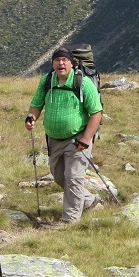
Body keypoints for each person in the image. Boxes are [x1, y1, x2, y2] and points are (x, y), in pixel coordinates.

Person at [25, 47, 104, 223]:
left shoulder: (83, 83)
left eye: (64, 60)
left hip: (78, 138)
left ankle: (69, 220)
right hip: (54, 139)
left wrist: (85, 139)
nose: (61, 63)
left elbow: (96, 113)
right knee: (59, 175)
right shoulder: (47, 81)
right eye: (57, 60)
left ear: (71, 63)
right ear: (53, 63)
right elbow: (36, 105)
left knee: (73, 178)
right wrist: (31, 118)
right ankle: (89, 201)